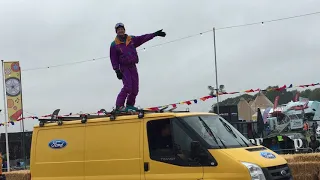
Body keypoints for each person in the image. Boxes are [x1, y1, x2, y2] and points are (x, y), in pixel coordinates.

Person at [110, 23, 166, 111]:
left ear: (124, 30)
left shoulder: (131, 39)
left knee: (135, 88)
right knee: (127, 86)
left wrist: (155, 34)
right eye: (118, 29)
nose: (120, 30)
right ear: (116, 31)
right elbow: (113, 58)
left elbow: (142, 38)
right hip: (124, 67)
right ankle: (119, 106)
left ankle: (129, 105)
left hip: (133, 66)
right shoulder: (114, 44)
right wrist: (117, 70)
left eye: (122, 29)